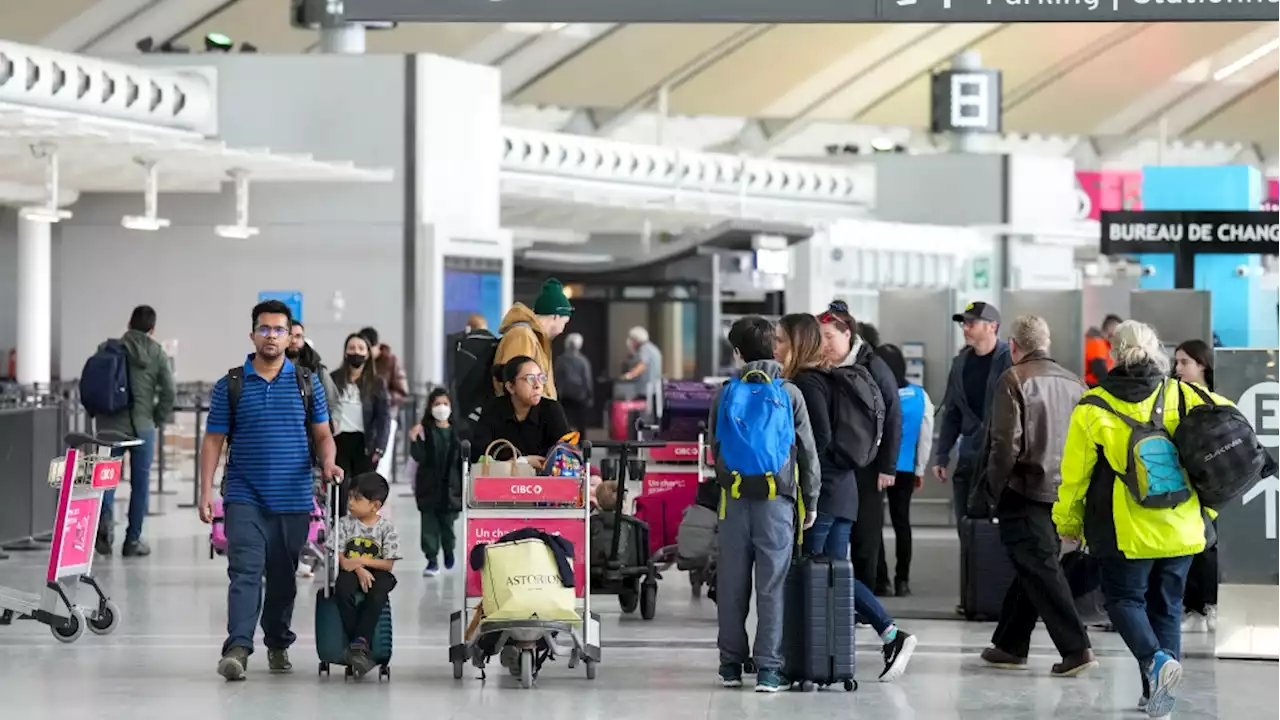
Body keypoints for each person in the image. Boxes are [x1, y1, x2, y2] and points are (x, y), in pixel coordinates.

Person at [1056, 321, 1220, 717]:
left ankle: (1155, 662)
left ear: (1114, 353)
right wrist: (1209, 509)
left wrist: (1068, 522)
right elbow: (1225, 445)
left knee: (1124, 601)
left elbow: (1074, 477)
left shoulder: (1093, 405)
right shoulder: (1185, 394)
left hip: (1124, 526)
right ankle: (1158, 695)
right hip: (1181, 523)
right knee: (1168, 604)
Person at [198, 299, 341, 681]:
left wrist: (328, 462)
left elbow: (324, 434)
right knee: (244, 571)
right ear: (252, 334)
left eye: (279, 329)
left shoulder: (306, 382)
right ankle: (238, 647)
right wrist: (205, 491)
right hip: (244, 495)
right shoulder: (232, 384)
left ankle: (277, 641)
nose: (271, 336)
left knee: (281, 578)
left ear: (290, 335)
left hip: (293, 498)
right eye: (264, 329)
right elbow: (213, 440)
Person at [777, 314, 916, 683]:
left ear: (796, 343)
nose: (775, 348)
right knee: (834, 576)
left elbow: (818, 440)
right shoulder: (828, 377)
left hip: (823, 495)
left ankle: (886, 634)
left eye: (780, 341)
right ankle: (837, 655)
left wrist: (805, 486)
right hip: (845, 489)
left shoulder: (808, 383)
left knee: (815, 570)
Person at [979, 315, 1097, 677]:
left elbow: (1004, 445)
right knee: (1035, 563)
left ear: (1013, 346)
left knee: (1041, 568)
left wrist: (992, 490)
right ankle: (1010, 643)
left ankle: (1076, 649)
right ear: (1046, 343)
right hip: (1066, 492)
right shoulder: (1076, 383)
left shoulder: (1013, 379)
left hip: (1026, 488)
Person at [710, 316, 820, 693]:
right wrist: (813, 502)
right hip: (777, 502)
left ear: (738, 352)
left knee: (732, 585)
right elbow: (807, 454)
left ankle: (730, 665)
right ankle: (770, 670)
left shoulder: (725, 392)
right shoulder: (790, 394)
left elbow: (715, 449)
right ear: (774, 348)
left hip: (734, 501)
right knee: (772, 586)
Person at [815, 301, 901, 595]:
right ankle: (837, 599)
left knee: (866, 535)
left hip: (868, 464)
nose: (824, 344)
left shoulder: (873, 365)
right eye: (820, 337)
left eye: (829, 337)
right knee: (836, 535)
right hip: (836, 462)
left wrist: (888, 466)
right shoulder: (821, 367)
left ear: (848, 334)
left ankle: (866, 598)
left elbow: (892, 415)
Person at [94, 304, 175, 557]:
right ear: (152, 329)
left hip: (110, 426)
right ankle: (133, 541)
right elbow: (169, 392)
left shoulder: (107, 348)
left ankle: (104, 527)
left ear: (129, 324)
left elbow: (95, 383)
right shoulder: (158, 353)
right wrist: (157, 418)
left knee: (107, 480)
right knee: (140, 485)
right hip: (143, 427)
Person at [933, 301, 1012, 531]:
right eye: (964, 324)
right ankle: (969, 566)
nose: (965, 328)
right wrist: (942, 454)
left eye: (971, 323)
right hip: (969, 456)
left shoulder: (1009, 360)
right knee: (966, 526)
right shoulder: (960, 364)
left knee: (998, 530)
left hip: (1000, 458)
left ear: (992, 326)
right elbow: (953, 412)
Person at [874, 343, 934, 598]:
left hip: (875, 469)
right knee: (902, 524)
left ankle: (881, 580)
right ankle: (902, 581)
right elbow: (926, 436)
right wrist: (919, 468)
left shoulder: (875, 393)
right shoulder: (920, 396)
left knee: (873, 525)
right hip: (906, 468)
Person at [334, 471, 400, 678]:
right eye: (350, 496)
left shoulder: (387, 528)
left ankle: (359, 640)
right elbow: (342, 559)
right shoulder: (344, 524)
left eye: (357, 498)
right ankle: (359, 644)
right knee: (342, 589)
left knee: (378, 593)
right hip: (350, 571)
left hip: (378, 572)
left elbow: (388, 564)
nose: (350, 502)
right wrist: (358, 569)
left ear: (375, 505)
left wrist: (361, 561)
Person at [1172, 339, 1218, 633]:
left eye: (1184, 362)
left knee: (1209, 544)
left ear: (1202, 364)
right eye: (1176, 363)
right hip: (1183, 480)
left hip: (1211, 482)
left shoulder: (1216, 399)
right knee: (1189, 545)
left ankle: (1209, 605)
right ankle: (1193, 606)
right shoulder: (1172, 397)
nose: (1178, 369)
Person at [469, 356, 571, 468]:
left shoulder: (551, 409)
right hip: (503, 481)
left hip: (544, 481)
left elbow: (566, 452)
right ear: (510, 387)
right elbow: (478, 456)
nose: (537, 385)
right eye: (530, 379)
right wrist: (523, 461)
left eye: (541, 378)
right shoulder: (493, 409)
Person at [330, 333, 392, 506]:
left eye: (360, 348)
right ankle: (340, 526)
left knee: (362, 492)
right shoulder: (334, 379)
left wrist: (380, 447)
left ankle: (359, 530)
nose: (355, 352)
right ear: (345, 352)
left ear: (367, 354)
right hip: (339, 441)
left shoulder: (377, 383)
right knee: (340, 492)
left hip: (365, 443)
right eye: (351, 348)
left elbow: (384, 417)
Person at [410, 388, 463, 577]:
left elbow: (462, 461)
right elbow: (419, 457)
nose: (441, 408)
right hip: (429, 487)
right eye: (437, 404)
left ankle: (449, 552)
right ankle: (432, 561)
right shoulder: (424, 431)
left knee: (448, 526)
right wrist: (414, 440)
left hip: (451, 488)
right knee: (429, 527)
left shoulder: (458, 433)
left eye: (445, 404)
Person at [494, 278, 573, 401]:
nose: (563, 330)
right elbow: (517, 388)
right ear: (555, 316)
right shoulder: (522, 336)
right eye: (564, 323)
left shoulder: (535, 339)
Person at [359, 326, 408, 480]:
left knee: (382, 460)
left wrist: (383, 398)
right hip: (364, 418)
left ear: (377, 346)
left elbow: (402, 390)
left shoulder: (391, 361)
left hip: (386, 416)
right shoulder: (361, 363)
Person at [288, 320, 337, 432]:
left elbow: (333, 400)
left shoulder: (317, 370)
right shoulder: (271, 369)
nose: (294, 340)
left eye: (298, 336)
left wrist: (332, 425)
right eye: (290, 336)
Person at [554, 332, 594, 433]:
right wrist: (590, 395)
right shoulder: (583, 361)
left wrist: (557, 393)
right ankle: (582, 444)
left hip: (564, 394)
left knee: (564, 420)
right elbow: (587, 379)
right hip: (580, 394)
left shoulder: (560, 360)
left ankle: (565, 442)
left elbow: (557, 377)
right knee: (581, 422)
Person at [616, 326, 663, 407]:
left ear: (636, 340)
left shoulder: (644, 349)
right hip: (653, 390)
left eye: (631, 339)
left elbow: (642, 365)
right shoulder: (652, 348)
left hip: (646, 391)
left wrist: (629, 375)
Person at [1084, 314, 1122, 387]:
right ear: (1112, 330)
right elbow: (1100, 371)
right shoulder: (1098, 343)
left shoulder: (1106, 345)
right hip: (1092, 387)